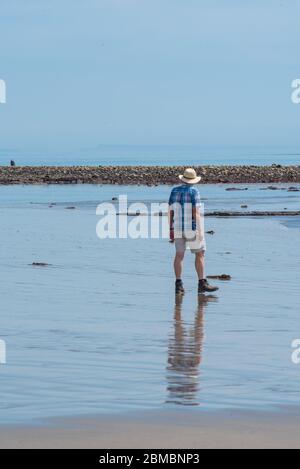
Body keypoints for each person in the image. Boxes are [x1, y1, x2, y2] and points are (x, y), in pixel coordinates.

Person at [168, 168, 219, 295]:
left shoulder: (174, 190)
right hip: (191, 227)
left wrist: (170, 229)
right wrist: (201, 231)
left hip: (178, 227)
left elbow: (170, 211)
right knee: (200, 254)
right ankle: (202, 283)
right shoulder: (194, 191)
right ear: (194, 180)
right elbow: (195, 213)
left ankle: (178, 284)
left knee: (179, 255)